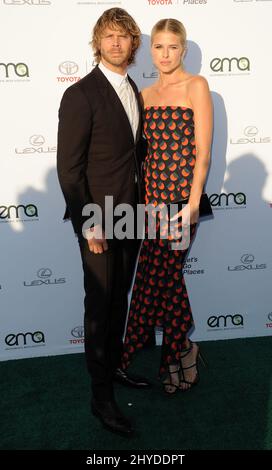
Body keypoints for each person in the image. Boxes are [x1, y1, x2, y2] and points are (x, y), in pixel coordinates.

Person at [57, 8, 151, 437]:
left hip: (131, 214)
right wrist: (88, 225)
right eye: (108, 36)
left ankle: (112, 371)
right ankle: (101, 397)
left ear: (134, 43)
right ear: (98, 42)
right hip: (99, 218)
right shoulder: (81, 94)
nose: (116, 43)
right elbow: (70, 170)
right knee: (99, 306)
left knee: (119, 301)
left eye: (124, 36)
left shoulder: (133, 87)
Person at [121, 18, 213, 394]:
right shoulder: (144, 95)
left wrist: (192, 204)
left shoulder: (197, 86)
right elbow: (142, 155)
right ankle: (183, 351)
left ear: (183, 50)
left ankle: (179, 354)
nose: (165, 54)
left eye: (172, 47)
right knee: (160, 282)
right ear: (151, 50)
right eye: (158, 46)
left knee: (165, 278)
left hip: (180, 204)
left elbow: (203, 153)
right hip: (151, 204)